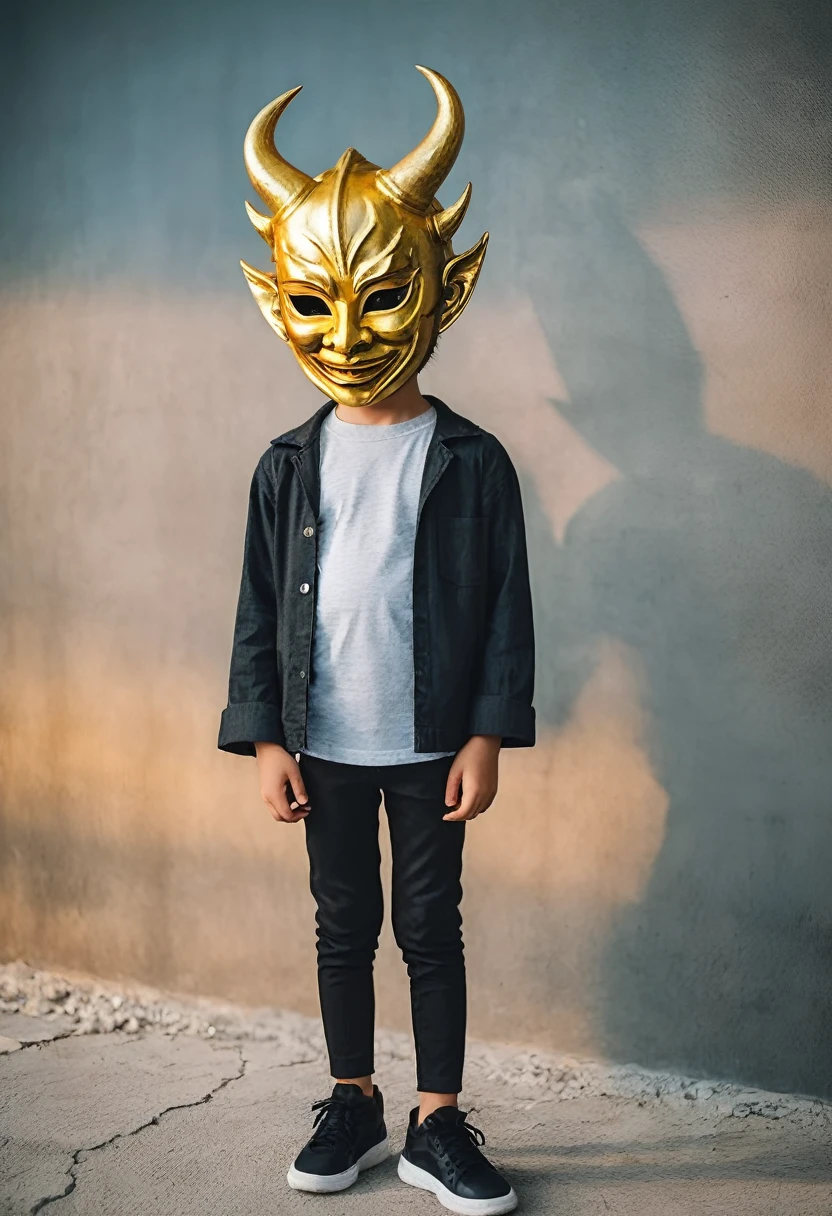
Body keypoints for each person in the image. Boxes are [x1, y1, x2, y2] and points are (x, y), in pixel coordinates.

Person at [218, 65, 535, 1216]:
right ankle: (351, 1097)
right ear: (278, 302)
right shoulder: (286, 462)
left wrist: (488, 734)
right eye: (314, 304)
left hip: (428, 738)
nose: (347, 335)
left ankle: (435, 1118)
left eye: (382, 300)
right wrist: (265, 740)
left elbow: (506, 604)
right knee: (342, 920)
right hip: (325, 738)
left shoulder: (473, 459)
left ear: (447, 290)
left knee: (429, 924)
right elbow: (260, 608)